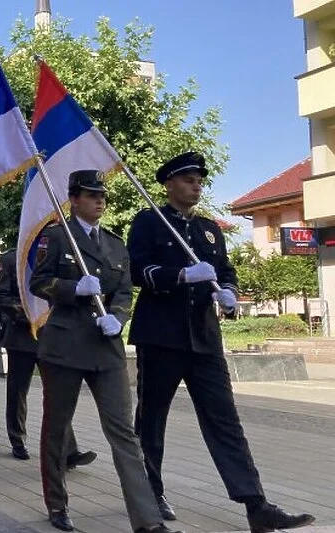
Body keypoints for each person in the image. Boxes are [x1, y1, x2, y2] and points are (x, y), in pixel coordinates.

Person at [127, 152, 315, 531]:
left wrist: (227, 292)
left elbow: (225, 272)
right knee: (151, 420)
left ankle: (255, 503)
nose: (196, 186)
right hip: (161, 337)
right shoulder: (150, 221)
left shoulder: (209, 229)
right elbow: (137, 271)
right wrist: (180, 275)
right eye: (188, 180)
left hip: (204, 339)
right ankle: (150, 492)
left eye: (199, 180)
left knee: (225, 421)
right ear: (169, 184)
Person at [31, 170, 179, 533]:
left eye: (102, 195)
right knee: (56, 428)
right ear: (74, 199)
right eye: (91, 194)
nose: (99, 200)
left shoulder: (115, 244)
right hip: (65, 346)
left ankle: (146, 519)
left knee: (124, 433)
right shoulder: (55, 237)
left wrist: (117, 317)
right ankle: (57, 503)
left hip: (105, 347)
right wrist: (72, 288)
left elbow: (126, 290)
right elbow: (38, 282)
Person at [0, 242, 95, 467]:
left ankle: (68, 449)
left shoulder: (56, 256)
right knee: (18, 391)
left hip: (52, 335)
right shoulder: (12, 258)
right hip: (21, 336)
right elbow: (0, 296)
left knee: (57, 393)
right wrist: (32, 314)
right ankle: (17, 439)